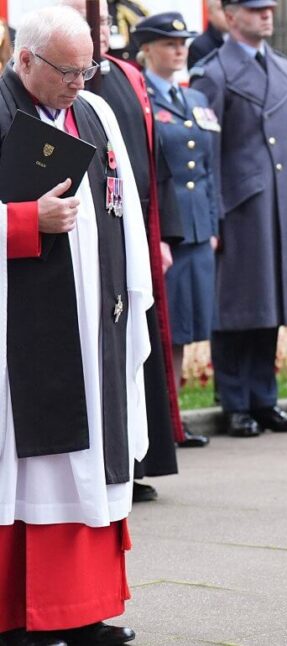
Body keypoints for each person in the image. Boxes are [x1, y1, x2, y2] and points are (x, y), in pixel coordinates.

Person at [0, 7, 151, 645]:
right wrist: (24, 222)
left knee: (91, 463)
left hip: (96, 324)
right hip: (18, 334)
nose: (81, 83)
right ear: (25, 59)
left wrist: (132, 292)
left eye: (88, 67)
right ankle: (16, 617)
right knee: (28, 470)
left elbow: (128, 207)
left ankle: (83, 610)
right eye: (67, 71)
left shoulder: (96, 113)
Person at [61, 0, 193, 510]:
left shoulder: (126, 77)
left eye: (98, 20)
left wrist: (160, 235)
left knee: (135, 348)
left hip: (129, 227)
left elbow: (152, 162)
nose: (95, 26)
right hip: (78, 232)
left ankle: (138, 459)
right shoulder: (59, 80)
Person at [191, 0, 287, 436]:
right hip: (241, 203)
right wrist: (213, 216)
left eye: (269, 8)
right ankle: (236, 403)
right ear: (231, 16)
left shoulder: (284, 67)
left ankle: (264, 398)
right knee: (237, 305)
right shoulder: (214, 73)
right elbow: (206, 154)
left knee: (269, 302)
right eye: (255, 9)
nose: (266, 15)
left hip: (281, 198)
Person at [136, 14, 225, 424]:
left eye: (183, 43)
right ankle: (162, 416)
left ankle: (175, 414)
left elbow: (209, 169)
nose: (179, 50)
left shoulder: (196, 101)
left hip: (196, 229)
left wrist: (211, 225)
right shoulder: (142, 99)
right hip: (165, 229)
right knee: (162, 326)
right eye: (169, 43)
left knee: (186, 326)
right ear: (148, 48)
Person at [188, 0, 228, 69]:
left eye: (229, 7)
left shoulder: (246, 40)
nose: (227, 13)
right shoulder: (199, 46)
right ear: (209, 13)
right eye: (221, 8)